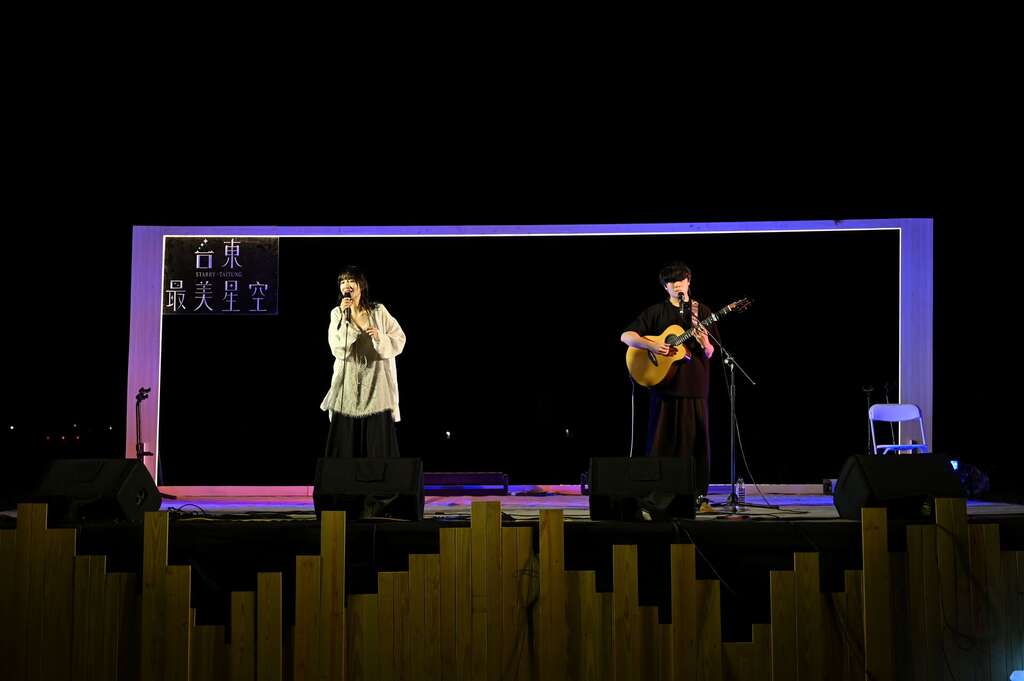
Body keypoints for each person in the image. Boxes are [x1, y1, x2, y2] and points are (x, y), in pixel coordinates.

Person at [620, 262, 718, 512]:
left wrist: (705, 342)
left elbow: (711, 352)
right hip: (665, 388)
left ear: (689, 282)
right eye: (671, 282)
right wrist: (652, 345)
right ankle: (657, 495)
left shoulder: (701, 311)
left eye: (680, 280)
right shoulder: (657, 312)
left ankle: (696, 496)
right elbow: (626, 336)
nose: (676, 285)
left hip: (695, 387)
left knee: (697, 443)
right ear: (665, 287)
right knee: (662, 442)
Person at [320, 266, 406, 458]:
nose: (346, 285)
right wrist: (346, 321)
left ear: (361, 285)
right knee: (346, 443)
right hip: (348, 383)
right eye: (343, 282)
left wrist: (380, 337)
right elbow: (336, 348)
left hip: (376, 382)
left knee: (376, 442)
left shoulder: (378, 311)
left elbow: (399, 339)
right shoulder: (337, 313)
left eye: (351, 280)